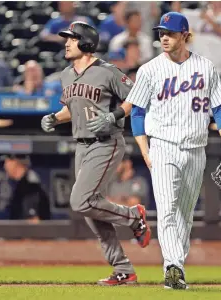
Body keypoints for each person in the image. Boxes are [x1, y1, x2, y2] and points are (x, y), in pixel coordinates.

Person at [84, 12, 221, 289]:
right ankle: (172, 268)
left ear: (184, 35)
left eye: (169, 33)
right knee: (167, 209)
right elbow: (137, 114)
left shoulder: (205, 67)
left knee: (185, 214)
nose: (164, 38)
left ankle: (176, 266)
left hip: (196, 148)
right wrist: (145, 150)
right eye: (161, 33)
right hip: (163, 146)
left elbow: (220, 110)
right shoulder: (149, 70)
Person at [40, 21, 151, 286]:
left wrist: (114, 115)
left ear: (86, 42)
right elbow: (73, 109)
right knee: (91, 212)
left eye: (72, 38)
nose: (66, 42)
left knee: (80, 201)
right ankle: (124, 270)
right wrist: (55, 118)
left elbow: (138, 95)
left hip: (106, 142)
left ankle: (134, 216)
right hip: (82, 145)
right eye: (67, 38)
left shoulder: (107, 71)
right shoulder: (67, 75)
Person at [0, 155, 50, 222]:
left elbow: (33, 221)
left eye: (7, 161)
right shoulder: (21, 185)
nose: (4, 166)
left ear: (15, 162)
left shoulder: (29, 186)